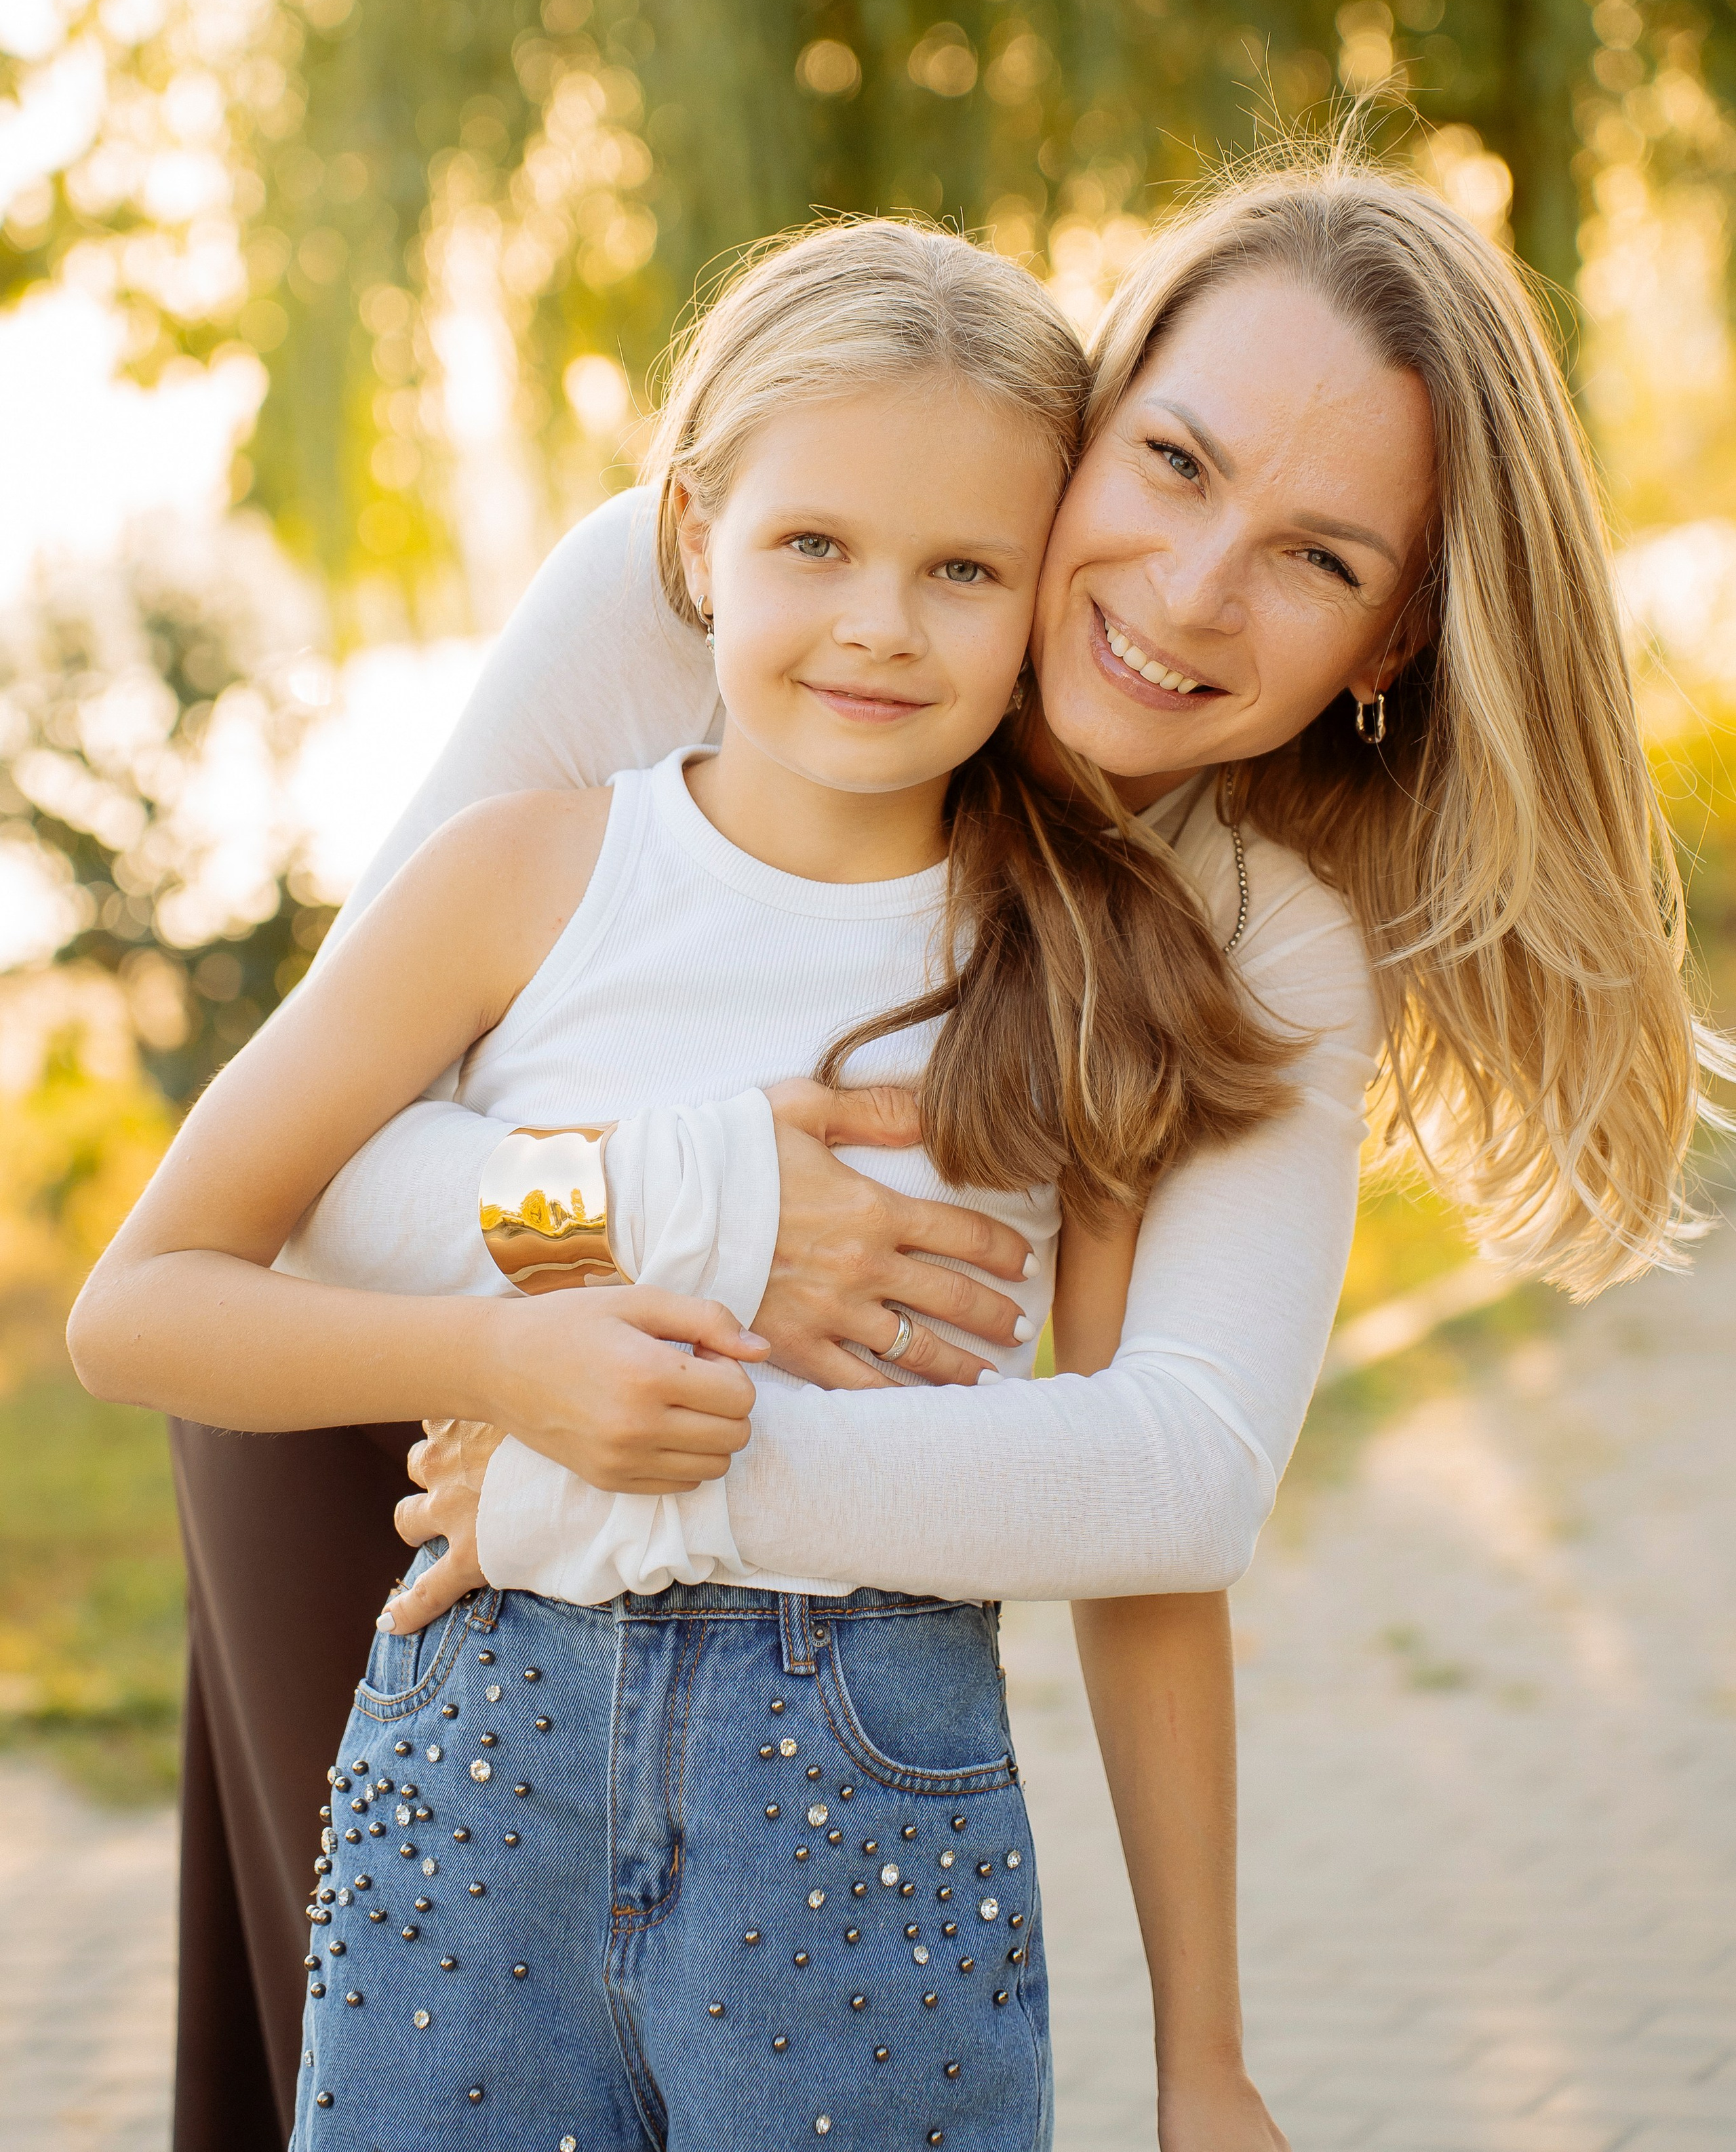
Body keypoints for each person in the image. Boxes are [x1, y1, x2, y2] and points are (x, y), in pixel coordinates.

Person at [93, 155, 1721, 2145]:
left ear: (1397, 637)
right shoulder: (705, 586)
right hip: (385, 1446)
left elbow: (1166, 1479)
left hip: (698, 1595)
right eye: (1180, 463)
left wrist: (638, 1471)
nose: (1195, 590)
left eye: (1319, 558)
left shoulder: (1218, 931)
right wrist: (674, 1217)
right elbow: (323, 1190)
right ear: (1090, 429)